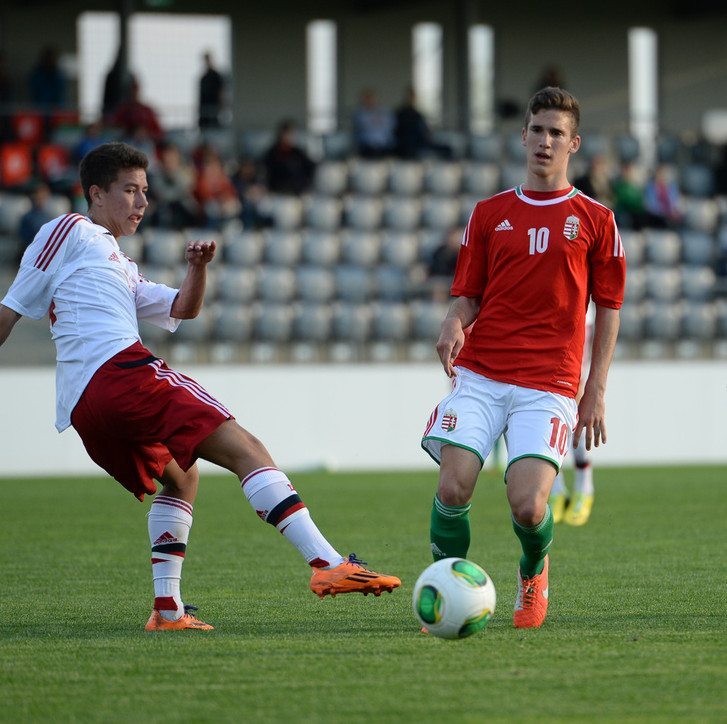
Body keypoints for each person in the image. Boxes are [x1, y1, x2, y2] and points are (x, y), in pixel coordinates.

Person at [0, 142, 400, 632]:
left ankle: (168, 610)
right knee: (246, 447)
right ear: (95, 194)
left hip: (88, 404)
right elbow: (8, 312)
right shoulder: (69, 229)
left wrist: (197, 269)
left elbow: (181, 309)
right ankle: (328, 565)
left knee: (183, 476)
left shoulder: (118, 263)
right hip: (119, 373)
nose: (142, 203)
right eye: (129, 191)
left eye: (145, 192)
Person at [420, 87, 626, 629]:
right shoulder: (489, 214)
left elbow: (609, 309)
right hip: (481, 374)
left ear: (573, 143)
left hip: (549, 383)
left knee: (530, 507)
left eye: (557, 133)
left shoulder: (596, 220)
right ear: (523, 135)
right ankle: (448, 586)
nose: (545, 141)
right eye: (538, 130)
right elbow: (468, 294)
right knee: (453, 484)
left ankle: (534, 572)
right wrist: (452, 321)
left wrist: (595, 390)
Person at [549, 303, 596, 526]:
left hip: (574, 312)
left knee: (572, 392)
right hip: (538, 314)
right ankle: (556, 490)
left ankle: (584, 486)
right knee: (540, 398)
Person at [394, 87, 451, 160]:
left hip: (422, 143)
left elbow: (426, 132)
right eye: (410, 96)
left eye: (413, 96)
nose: (412, 99)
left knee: (447, 149)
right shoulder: (400, 114)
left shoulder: (417, 115)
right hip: (409, 146)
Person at [262, 120, 316, 194]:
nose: (289, 137)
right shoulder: (272, 153)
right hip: (277, 192)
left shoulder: (298, 153)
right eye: (286, 134)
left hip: (297, 191)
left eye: (291, 134)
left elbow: (310, 168)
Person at [352, 88, 395, 158]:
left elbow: (390, 126)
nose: (368, 100)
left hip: (384, 146)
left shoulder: (384, 112)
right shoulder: (359, 113)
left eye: (370, 98)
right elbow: (364, 126)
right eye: (366, 98)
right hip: (366, 147)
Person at [198, 51, 225, 129]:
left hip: (213, 107)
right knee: (204, 127)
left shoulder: (216, 76)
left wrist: (221, 105)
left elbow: (221, 91)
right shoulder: (203, 78)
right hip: (204, 109)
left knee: (214, 127)